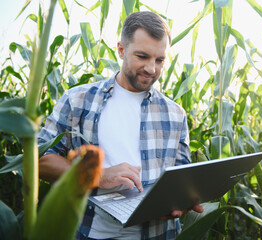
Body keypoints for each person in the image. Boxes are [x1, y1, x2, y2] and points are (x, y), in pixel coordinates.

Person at [38, 11, 203, 240]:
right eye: (142, 56)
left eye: (159, 60)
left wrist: (179, 202)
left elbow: (181, 177)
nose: (151, 69)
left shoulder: (175, 114)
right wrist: (98, 177)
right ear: (121, 49)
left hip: (158, 234)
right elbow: (40, 160)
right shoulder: (78, 100)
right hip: (90, 231)